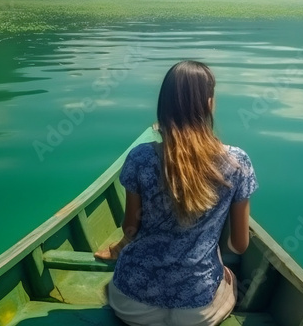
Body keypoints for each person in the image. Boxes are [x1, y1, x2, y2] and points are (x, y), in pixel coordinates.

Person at [94, 60, 258, 326]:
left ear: (164, 105)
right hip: (197, 311)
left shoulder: (141, 157)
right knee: (230, 278)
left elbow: (130, 229)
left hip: (134, 304)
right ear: (208, 104)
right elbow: (239, 245)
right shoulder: (237, 163)